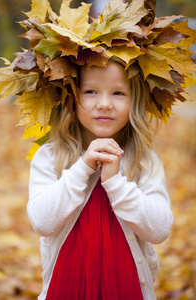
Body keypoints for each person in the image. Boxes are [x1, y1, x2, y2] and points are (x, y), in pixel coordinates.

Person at [27, 59, 173, 300]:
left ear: (134, 101)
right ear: (70, 98)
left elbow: (159, 230)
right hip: (66, 288)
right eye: (90, 91)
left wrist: (116, 184)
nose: (104, 104)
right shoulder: (50, 157)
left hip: (127, 288)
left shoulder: (144, 160)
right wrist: (82, 168)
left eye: (118, 93)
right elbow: (42, 222)